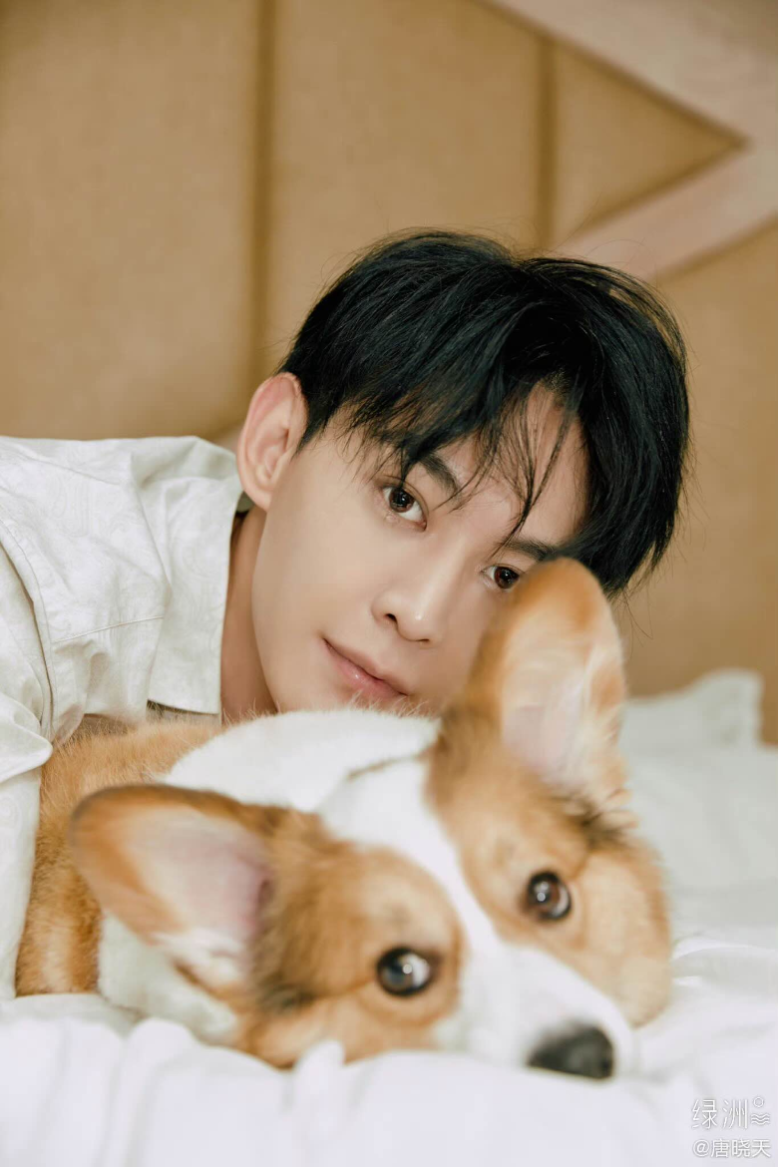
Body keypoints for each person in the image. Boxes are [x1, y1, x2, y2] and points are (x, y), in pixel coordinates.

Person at [0, 229, 690, 995]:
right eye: (402, 500)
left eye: (505, 576)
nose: (419, 613)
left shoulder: (483, 772)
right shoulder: (32, 581)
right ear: (275, 446)